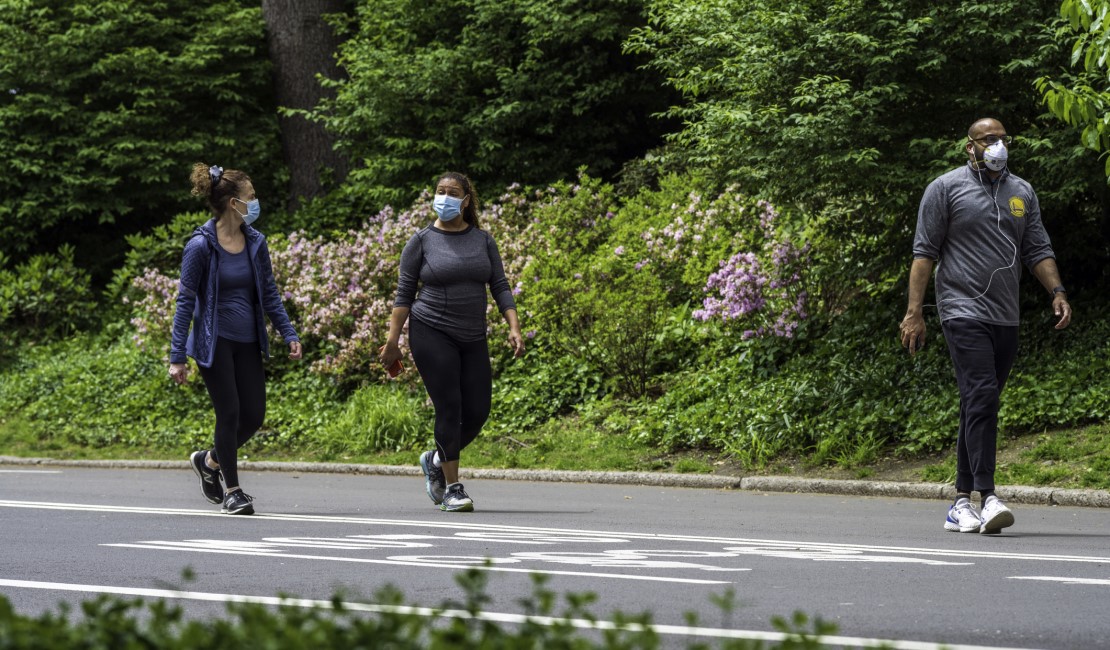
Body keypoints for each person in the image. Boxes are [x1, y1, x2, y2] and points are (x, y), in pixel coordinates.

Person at [900, 117, 1072, 534]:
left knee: (977, 403)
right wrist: (915, 311)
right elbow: (924, 254)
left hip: (1005, 315)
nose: (997, 145)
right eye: (988, 139)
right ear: (970, 147)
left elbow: (1037, 248)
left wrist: (1057, 292)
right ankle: (988, 495)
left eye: (1002, 139)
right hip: (961, 310)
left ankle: (959, 503)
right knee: (982, 395)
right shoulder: (945, 188)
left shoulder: (1021, 192)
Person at [379, 172, 525, 512]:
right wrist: (392, 340)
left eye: (452, 192)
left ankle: (435, 459)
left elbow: (500, 285)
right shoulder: (421, 241)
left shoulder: (483, 240)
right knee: (449, 406)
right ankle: (453, 487)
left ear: (466, 199)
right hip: (431, 330)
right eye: (439, 191)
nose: (444, 197)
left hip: (473, 335)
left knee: (478, 410)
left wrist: (514, 326)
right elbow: (403, 295)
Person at [169, 163, 303, 516]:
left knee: (254, 415)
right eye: (252, 196)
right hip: (214, 343)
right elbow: (185, 301)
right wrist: (177, 356)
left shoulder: (255, 243)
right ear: (233, 203)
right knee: (228, 413)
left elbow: (270, 294)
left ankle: (209, 460)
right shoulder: (200, 245)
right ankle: (233, 490)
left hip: (247, 340)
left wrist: (288, 332)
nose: (255, 202)